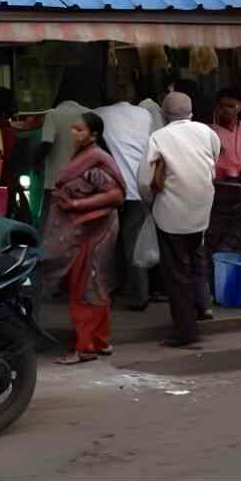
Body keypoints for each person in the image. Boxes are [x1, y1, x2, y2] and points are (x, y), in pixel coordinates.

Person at [138, 92, 220, 348]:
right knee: (196, 260)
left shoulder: (158, 137)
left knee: (177, 273)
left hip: (170, 214)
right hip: (201, 210)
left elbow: (144, 181)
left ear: (164, 114)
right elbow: (214, 161)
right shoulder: (208, 133)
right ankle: (202, 308)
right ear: (191, 111)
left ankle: (185, 331)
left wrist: (150, 203)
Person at [43, 112, 126, 364]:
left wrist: (76, 204)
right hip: (88, 230)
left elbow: (115, 196)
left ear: (94, 135)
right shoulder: (85, 156)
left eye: (79, 129)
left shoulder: (96, 160)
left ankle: (85, 348)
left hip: (95, 232)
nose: (73, 133)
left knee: (86, 287)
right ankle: (100, 340)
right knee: (95, 285)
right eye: (73, 128)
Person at [95, 81, 155, 311]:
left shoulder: (97, 114)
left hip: (110, 189)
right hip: (140, 185)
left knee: (105, 241)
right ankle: (138, 293)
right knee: (133, 242)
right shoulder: (144, 115)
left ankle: (110, 290)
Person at [34, 71, 92, 229]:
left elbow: (47, 143)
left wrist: (35, 161)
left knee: (49, 225)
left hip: (55, 182)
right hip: (81, 181)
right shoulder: (88, 114)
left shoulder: (53, 114)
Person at [206, 88, 241, 255]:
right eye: (224, 105)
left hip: (239, 192)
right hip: (215, 193)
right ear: (217, 107)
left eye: (232, 106)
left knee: (240, 238)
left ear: (240, 107)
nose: (228, 110)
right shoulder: (209, 131)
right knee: (213, 238)